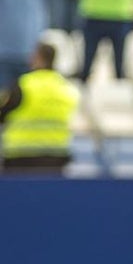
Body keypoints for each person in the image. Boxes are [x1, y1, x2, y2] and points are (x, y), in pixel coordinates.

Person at [0, 42, 80, 174]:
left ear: (39, 58)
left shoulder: (24, 84)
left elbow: (3, 113)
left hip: (20, 155)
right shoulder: (66, 87)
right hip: (56, 155)